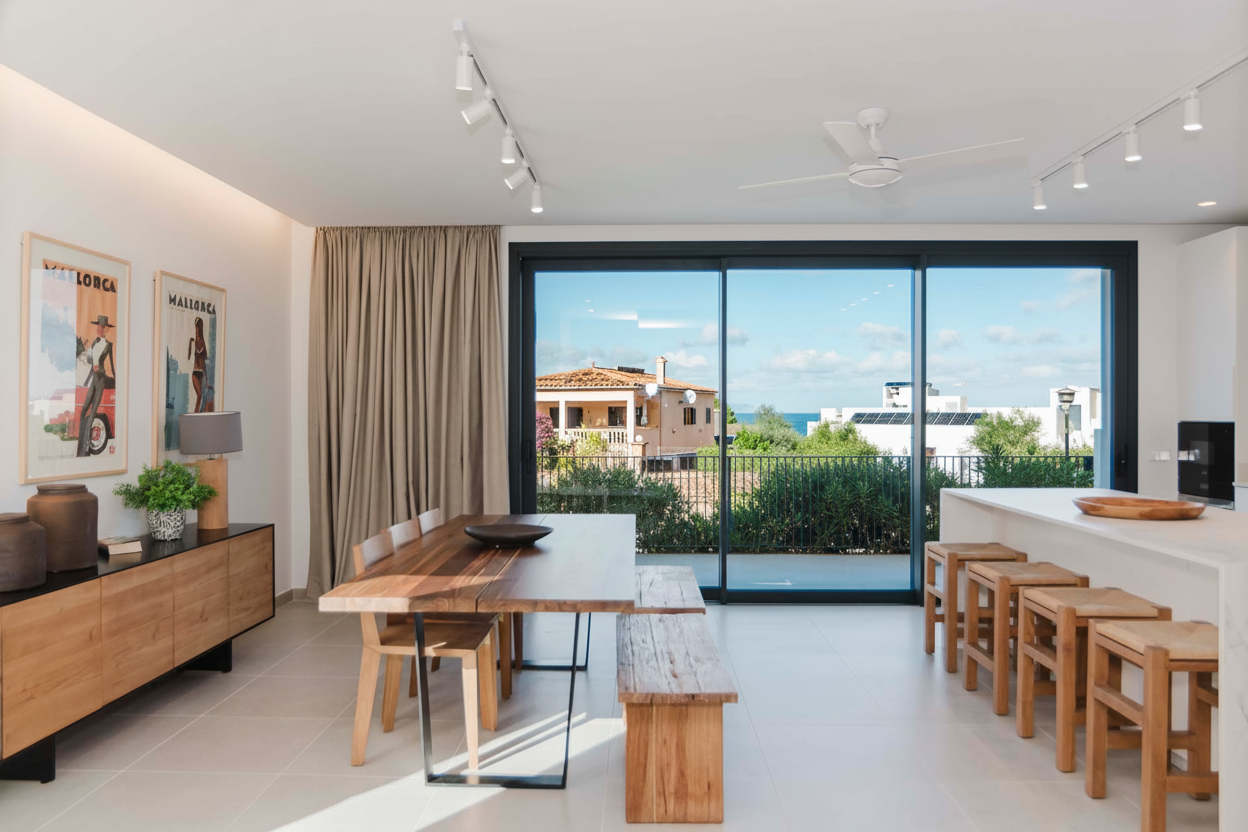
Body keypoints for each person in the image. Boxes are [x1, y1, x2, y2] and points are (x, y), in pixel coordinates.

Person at [77, 314, 115, 456]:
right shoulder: (94, 343)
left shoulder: (109, 345)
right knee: (84, 410)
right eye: (98, 326)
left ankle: (86, 449)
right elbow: (88, 360)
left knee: (93, 412)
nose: (99, 329)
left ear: (106, 329)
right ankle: (81, 448)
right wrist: (92, 361)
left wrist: (102, 370)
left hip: (101, 379)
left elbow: (111, 367)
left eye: (102, 327)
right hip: (93, 378)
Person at [188, 317, 208, 412]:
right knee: (199, 396)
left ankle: (196, 416)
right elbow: (188, 357)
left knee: (201, 397)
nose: (197, 329)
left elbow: (204, 364)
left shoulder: (203, 343)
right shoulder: (193, 341)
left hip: (201, 373)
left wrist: (206, 380)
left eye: (198, 327)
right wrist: (190, 344)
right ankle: (194, 417)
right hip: (195, 372)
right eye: (196, 327)